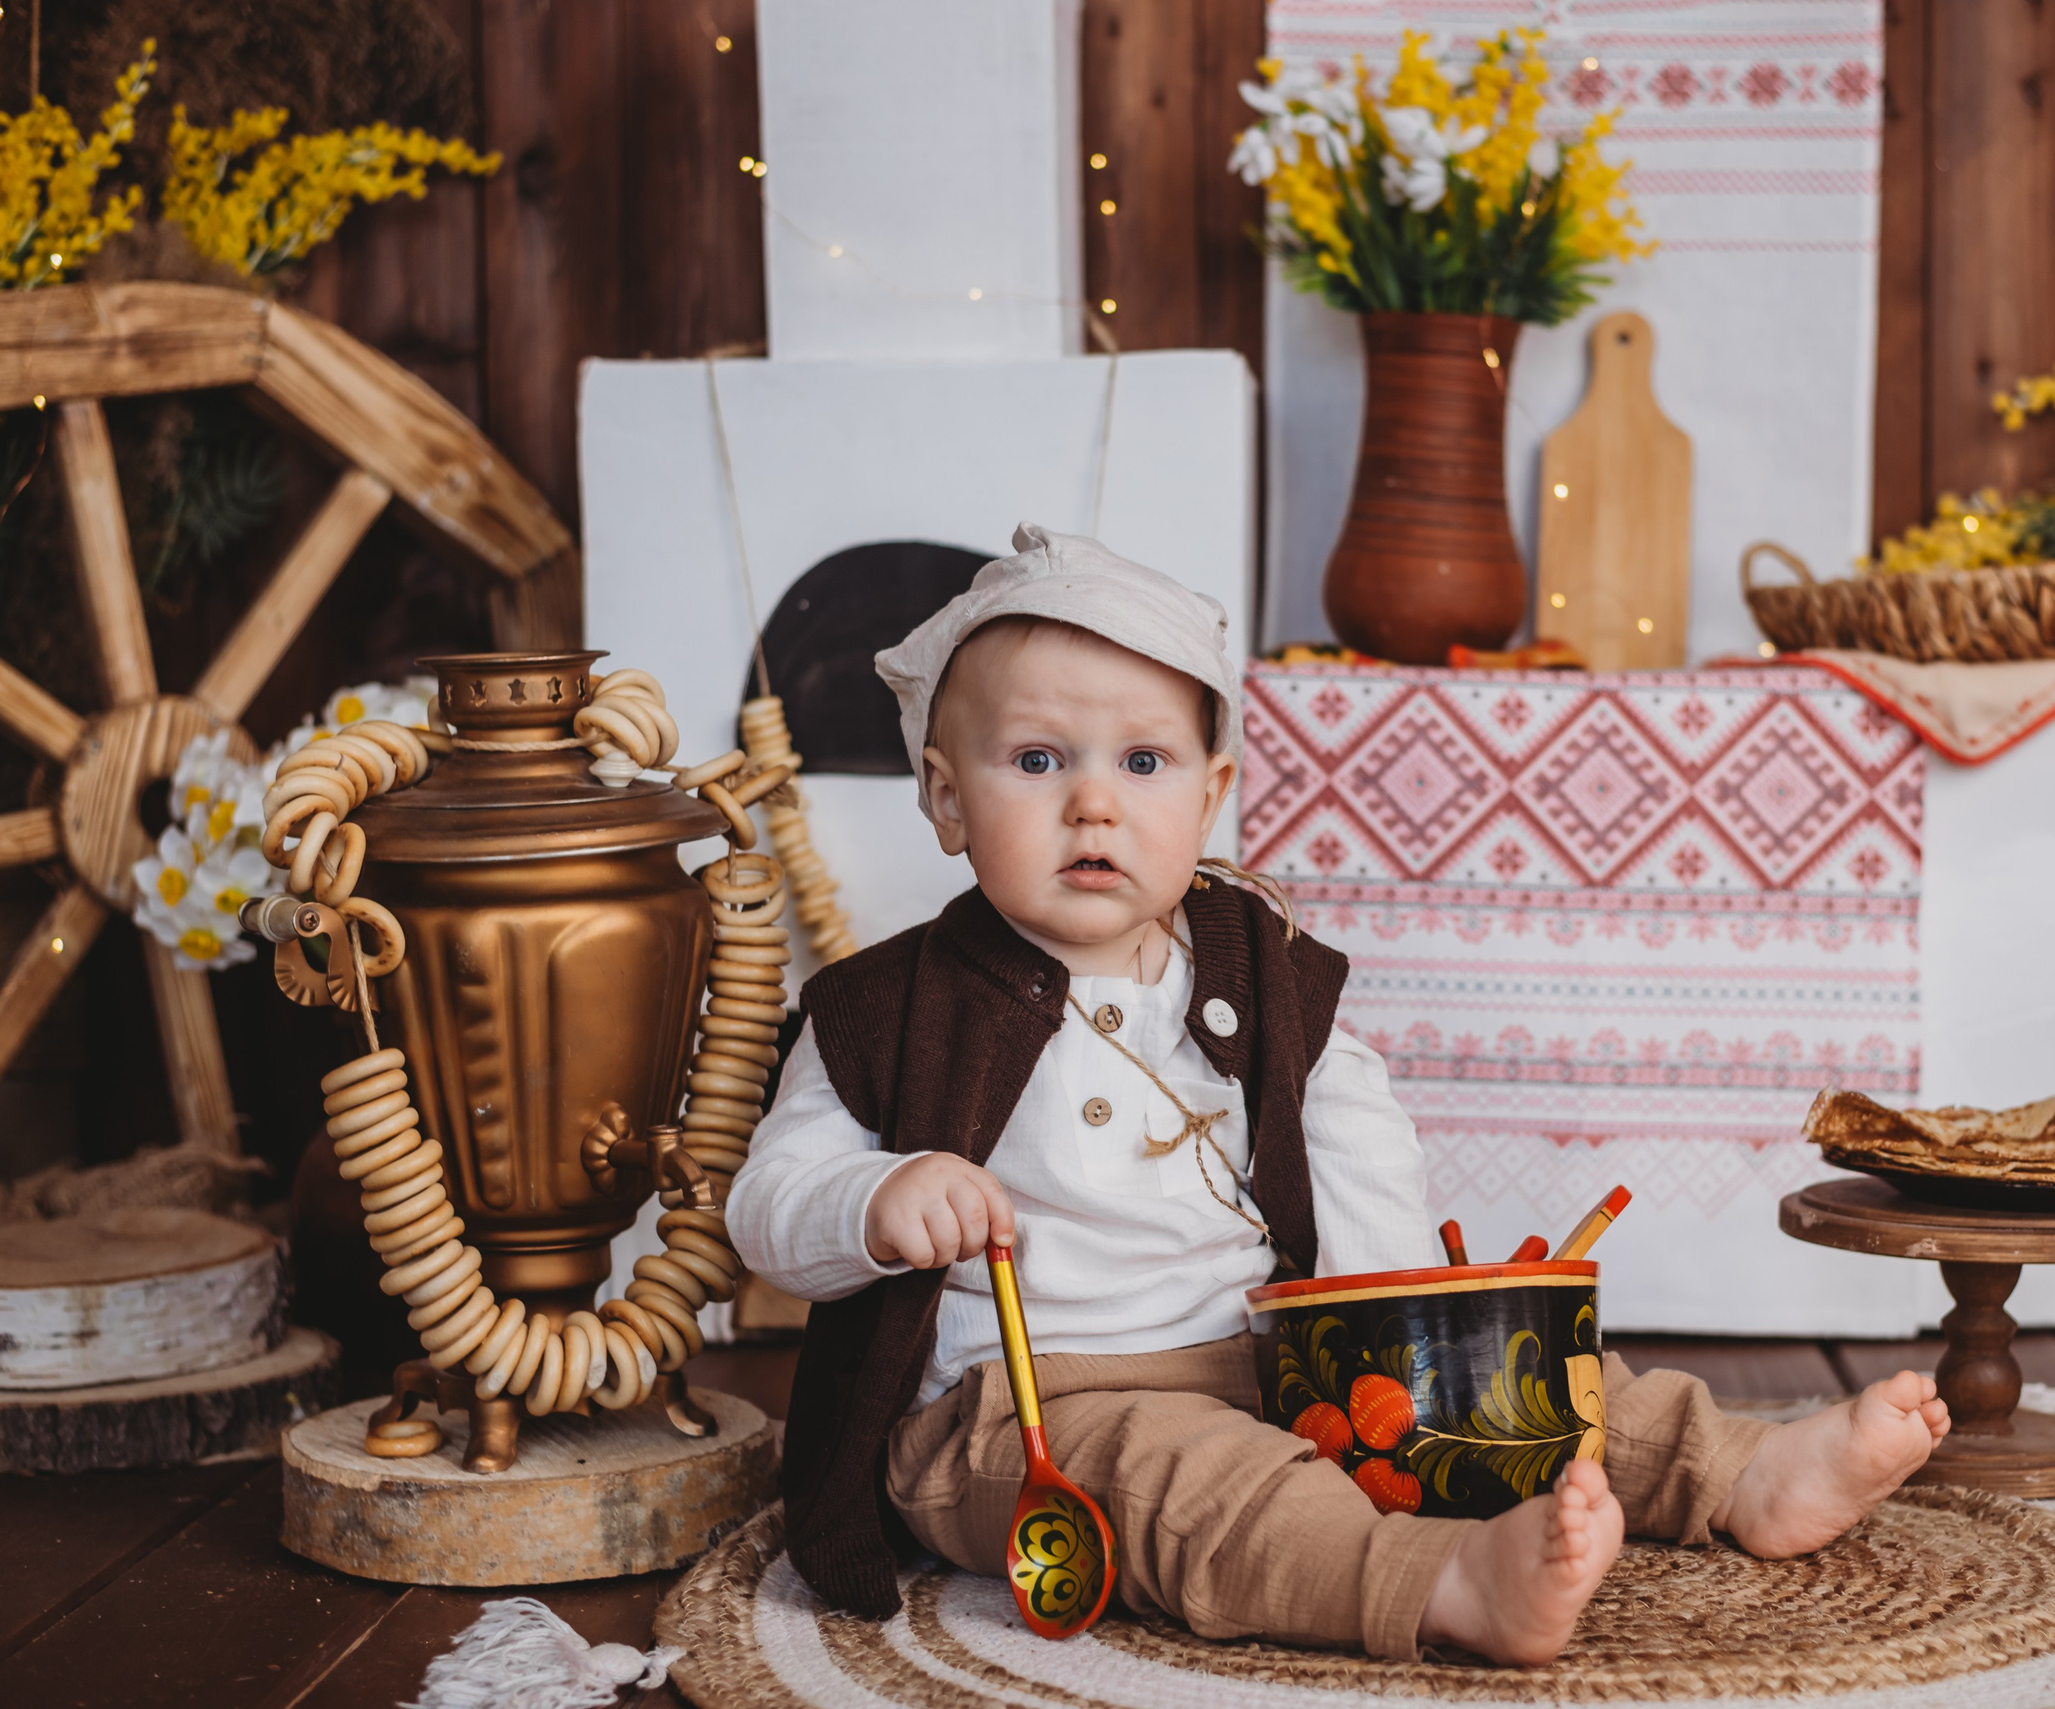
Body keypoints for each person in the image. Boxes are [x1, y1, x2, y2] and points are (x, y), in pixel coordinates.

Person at [727, 524, 1950, 1665]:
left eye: (1142, 761)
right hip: (1025, 1406)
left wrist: (1404, 1338)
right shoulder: (884, 1006)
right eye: (1036, 760)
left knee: (1524, 1383)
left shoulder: (1251, 962)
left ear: (1208, 797)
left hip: (1265, 1349)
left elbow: (1351, 1129)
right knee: (1195, 1489)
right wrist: (878, 1194)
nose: (1092, 802)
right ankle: (1436, 1582)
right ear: (945, 796)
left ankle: (1739, 1470)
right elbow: (768, 1200)